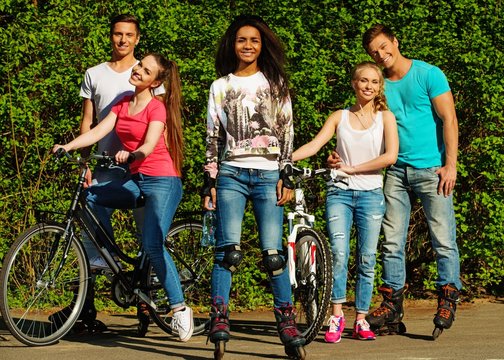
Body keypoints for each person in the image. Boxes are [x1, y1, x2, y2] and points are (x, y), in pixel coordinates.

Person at [52, 53, 194, 342]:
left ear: (156, 82)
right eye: (140, 65)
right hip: (138, 180)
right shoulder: (122, 103)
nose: (138, 70)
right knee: (91, 197)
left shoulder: (157, 109)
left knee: (153, 244)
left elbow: (149, 145)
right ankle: (108, 257)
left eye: (146, 70)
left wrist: (132, 154)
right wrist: (67, 146)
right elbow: (97, 131)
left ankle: (179, 308)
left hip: (164, 181)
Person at [330, 24, 462, 336]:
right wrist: (339, 157)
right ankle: (392, 303)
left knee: (443, 238)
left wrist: (451, 164)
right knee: (391, 241)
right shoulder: (379, 85)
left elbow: (449, 118)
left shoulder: (428, 74)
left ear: (395, 42)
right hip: (395, 172)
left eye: (383, 46)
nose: (381, 54)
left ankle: (448, 296)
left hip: (432, 170)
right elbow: (360, 124)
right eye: (374, 52)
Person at [202, 15, 306, 359]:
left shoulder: (276, 84)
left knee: (274, 255)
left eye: (255, 41)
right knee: (227, 251)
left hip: (267, 176)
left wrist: (286, 175)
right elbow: (213, 137)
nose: (248, 46)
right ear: (232, 44)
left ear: (263, 46)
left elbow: (288, 132)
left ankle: (286, 322)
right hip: (231, 174)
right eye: (242, 40)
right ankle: (219, 317)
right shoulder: (221, 86)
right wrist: (209, 181)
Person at [293, 62, 398, 343]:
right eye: (363, 81)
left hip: (371, 195)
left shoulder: (385, 117)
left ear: (380, 87)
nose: (368, 86)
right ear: (353, 84)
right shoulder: (339, 116)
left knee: (367, 258)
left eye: (374, 82)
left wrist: (353, 168)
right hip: (339, 193)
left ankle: (361, 319)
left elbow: (390, 157)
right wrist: (286, 159)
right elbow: (316, 145)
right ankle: (336, 316)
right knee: (338, 254)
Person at [78, 14, 163, 332]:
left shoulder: (148, 70)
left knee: (148, 236)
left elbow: (159, 121)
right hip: (104, 166)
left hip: (140, 168)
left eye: (129, 35)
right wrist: (84, 162)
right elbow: (88, 121)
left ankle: (146, 301)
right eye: (117, 34)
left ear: (137, 39)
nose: (123, 40)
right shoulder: (94, 74)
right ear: (110, 36)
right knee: (91, 232)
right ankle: (87, 309)